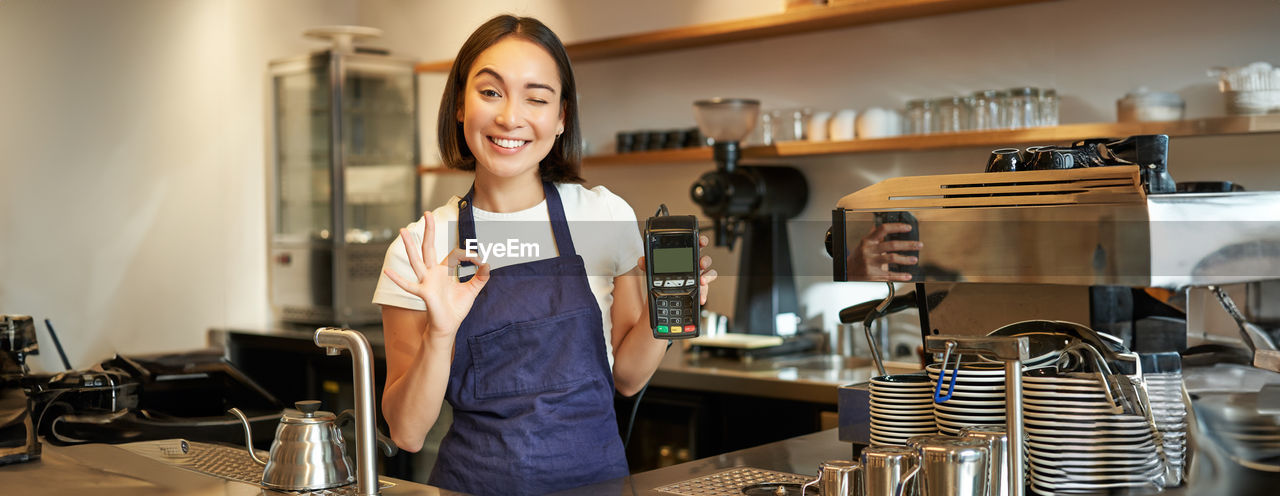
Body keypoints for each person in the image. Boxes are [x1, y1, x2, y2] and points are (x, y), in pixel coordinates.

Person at [371, 15, 718, 495]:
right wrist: (441, 332)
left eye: (536, 98)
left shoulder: (604, 214)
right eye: (490, 92)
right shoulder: (422, 245)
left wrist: (668, 308)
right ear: (458, 105)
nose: (511, 117)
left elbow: (629, 377)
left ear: (561, 118)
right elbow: (407, 433)